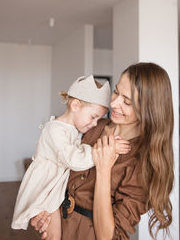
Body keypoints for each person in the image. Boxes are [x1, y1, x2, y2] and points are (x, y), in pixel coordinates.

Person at [31, 62, 174, 240]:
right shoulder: (92, 126)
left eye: (127, 102)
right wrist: (44, 212)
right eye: (115, 92)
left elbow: (108, 236)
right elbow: (56, 167)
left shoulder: (143, 161)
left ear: (148, 110)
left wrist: (104, 169)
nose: (113, 103)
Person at [11, 75, 130, 239]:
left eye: (99, 119)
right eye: (93, 117)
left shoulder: (74, 128)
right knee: (54, 234)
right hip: (47, 187)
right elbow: (74, 159)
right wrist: (104, 150)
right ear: (75, 105)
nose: (95, 124)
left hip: (56, 187)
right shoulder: (55, 130)